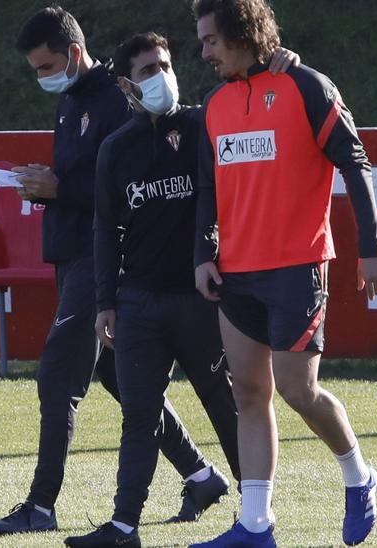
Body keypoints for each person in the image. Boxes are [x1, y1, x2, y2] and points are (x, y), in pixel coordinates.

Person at [0, 7, 231, 535]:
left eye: (47, 64)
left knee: (57, 375)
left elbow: (121, 194)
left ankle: (42, 505)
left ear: (74, 53)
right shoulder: (72, 101)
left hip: (102, 262)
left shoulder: (118, 100)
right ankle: (200, 474)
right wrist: (47, 186)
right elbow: (84, 181)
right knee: (122, 382)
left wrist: (58, 189)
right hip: (72, 256)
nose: (43, 76)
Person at [64, 33, 297, 548]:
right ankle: (124, 527)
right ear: (126, 85)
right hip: (140, 301)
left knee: (228, 403)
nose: (161, 76)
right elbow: (105, 231)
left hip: (205, 298)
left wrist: (281, 67)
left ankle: (255, 515)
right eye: (148, 70)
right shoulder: (115, 150)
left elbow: (255, 103)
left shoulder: (204, 123)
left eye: (165, 65)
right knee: (139, 413)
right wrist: (106, 301)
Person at [186, 1, 377, 546]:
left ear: (241, 33)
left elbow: (355, 161)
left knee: (299, 390)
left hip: (297, 268)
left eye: (210, 39)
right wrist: (204, 253)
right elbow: (209, 187)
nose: (203, 51)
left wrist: (370, 248)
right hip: (236, 274)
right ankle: (255, 525)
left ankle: (359, 475)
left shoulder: (305, 85)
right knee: (250, 395)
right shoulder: (214, 104)